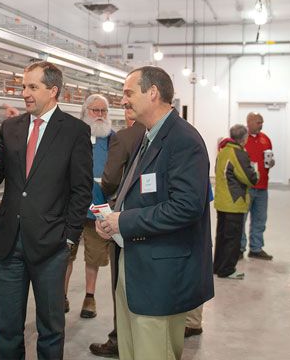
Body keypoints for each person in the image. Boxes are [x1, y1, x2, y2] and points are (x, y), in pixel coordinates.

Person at [0, 61, 92, 360]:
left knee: (50, 328)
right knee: (5, 328)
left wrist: (69, 239)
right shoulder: (11, 127)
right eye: (23, 86)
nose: (25, 93)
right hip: (8, 244)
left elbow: (80, 190)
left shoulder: (75, 132)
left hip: (50, 246)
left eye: (33, 87)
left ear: (53, 90)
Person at [96, 66, 214, 360]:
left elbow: (186, 207)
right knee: (132, 349)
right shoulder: (147, 137)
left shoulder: (183, 140)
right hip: (136, 263)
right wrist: (113, 221)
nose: (123, 100)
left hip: (160, 273)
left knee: (154, 351)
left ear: (152, 93)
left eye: (128, 93)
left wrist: (124, 221)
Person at [88, 117, 145, 358]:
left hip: (122, 217)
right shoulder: (172, 135)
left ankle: (120, 339)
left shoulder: (124, 136)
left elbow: (110, 179)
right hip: (151, 222)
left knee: (120, 283)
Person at [65, 94, 114, 318]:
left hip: (99, 206)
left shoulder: (113, 139)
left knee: (94, 256)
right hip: (73, 205)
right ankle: (61, 296)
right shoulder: (75, 135)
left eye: (103, 111)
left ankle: (89, 298)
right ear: (85, 112)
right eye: (95, 110)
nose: (100, 115)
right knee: (66, 253)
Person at [214, 124, 259, 280]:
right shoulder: (239, 153)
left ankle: (218, 266)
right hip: (234, 201)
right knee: (232, 239)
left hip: (222, 201)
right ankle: (227, 269)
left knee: (222, 237)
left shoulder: (223, 151)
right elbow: (249, 178)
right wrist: (256, 172)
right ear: (244, 138)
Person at [241, 112, 275, 260]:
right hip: (246, 187)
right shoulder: (242, 139)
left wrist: (272, 162)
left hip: (262, 187)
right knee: (241, 219)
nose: (261, 124)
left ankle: (256, 248)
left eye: (262, 122)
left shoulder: (266, 139)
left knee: (260, 220)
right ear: (249, 122)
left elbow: (270, 158)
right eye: (258, 122)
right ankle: (239, 248)